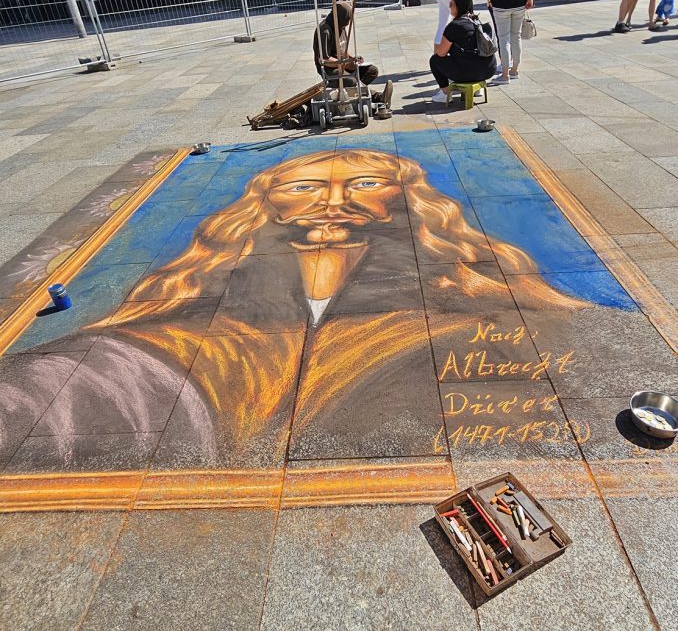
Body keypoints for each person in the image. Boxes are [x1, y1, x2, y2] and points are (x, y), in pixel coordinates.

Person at [0, 148, 584, 465]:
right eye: (301, 187)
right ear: (266, 203)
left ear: (407, 200)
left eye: (365, 184)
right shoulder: (183, 317)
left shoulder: (472, 306)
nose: (333, 200)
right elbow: (97, 379)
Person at [313, 0, 393, 108]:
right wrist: (342, 63)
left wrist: (353, 58)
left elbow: (342, 50)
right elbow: (324, 60)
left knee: (372, 71)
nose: (346, 24)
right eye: (346, 20)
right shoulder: (325, 31)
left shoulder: (340, 26)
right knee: (352, 80)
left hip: (343, 63)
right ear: (341, 17)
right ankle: (376, 97)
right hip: (330, 69)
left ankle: (355, 93)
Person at [429, 0, 497, 103]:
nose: (450, 7)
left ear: (459, 6)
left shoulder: (454, 26)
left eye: (452, 4)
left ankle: (445, 93)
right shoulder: (477, 21)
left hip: (468, 72)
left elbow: (441, 53)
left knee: (434, 60)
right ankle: (477, 90)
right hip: (488, 69)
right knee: (472, 57)